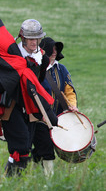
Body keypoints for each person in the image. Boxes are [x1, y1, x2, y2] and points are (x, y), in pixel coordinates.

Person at [0, 19, 57, 176]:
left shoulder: (43, 59)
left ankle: (13, 180)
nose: (34, 42)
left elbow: (37, 83)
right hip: (11, 105)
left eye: (36, 38)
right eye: (30, 38)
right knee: (20, 144)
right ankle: (11, 179)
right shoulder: (11, 55)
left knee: (26, 145)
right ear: (23, 38)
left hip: (30, 106)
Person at [31, 37, 77, 176]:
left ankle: (34, 174)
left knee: (41, 148)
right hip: (40, 117)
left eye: (56, 49)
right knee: (46, 147)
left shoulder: (61, 69)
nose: (54, 52)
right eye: (52, 49)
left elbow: (69, 91)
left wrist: (72, 105)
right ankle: (49, 180)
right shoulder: (37, 68)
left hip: (57, 117)